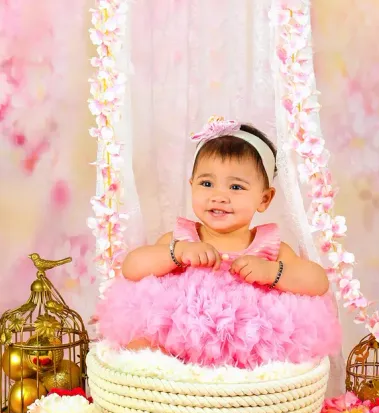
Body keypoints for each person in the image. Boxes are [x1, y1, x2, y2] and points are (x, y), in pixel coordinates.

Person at [97, 116, 341, 369]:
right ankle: (175, 383)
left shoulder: (269, 246)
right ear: (192, 186)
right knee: (140, 347)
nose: (219, 196)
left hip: (246, 345)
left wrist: (272, 272)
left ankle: (236, 391)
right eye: (206, 183)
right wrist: (177, 253)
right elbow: (132, 267)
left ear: (264, 199)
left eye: (236, 187)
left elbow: (318, 282)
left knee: (280, 360)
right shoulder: (181, 237)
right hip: (183, 342)